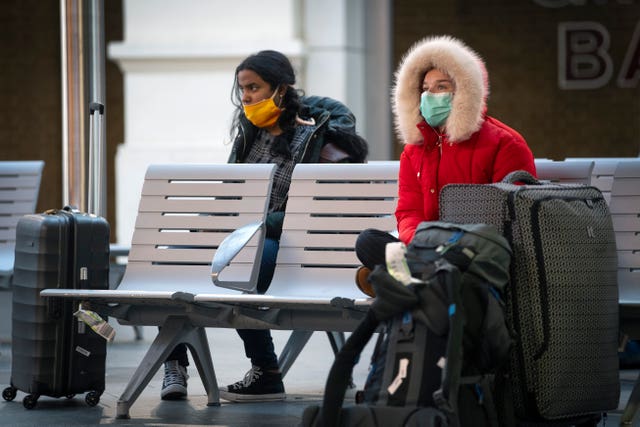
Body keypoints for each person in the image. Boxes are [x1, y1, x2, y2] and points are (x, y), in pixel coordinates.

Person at [160, 50, 368, 402]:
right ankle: (173, 363)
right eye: (242, 89)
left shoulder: (312, 135)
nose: (246, 97)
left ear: (281, 89)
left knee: (240, 261)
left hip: (290, 242)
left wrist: (256, 226)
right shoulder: (248, 134)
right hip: (246, 237)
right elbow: (232, 194)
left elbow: (314, 210)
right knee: (170, 258)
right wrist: (207, 229)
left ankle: (266, 371)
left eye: (254, 87)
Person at [355, 35, 536, 296]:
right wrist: (421, 241)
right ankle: (418, 282)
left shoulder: (504, 143)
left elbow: (511, 219)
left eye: (441, 86)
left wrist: (444, 242)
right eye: (425, 88)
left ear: (464, 90)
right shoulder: (413, 150)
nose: (430, 94)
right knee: (370, 242)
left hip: (474, 254)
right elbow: (408, 212)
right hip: (425, 249)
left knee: (427, 261)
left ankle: (398, 281)